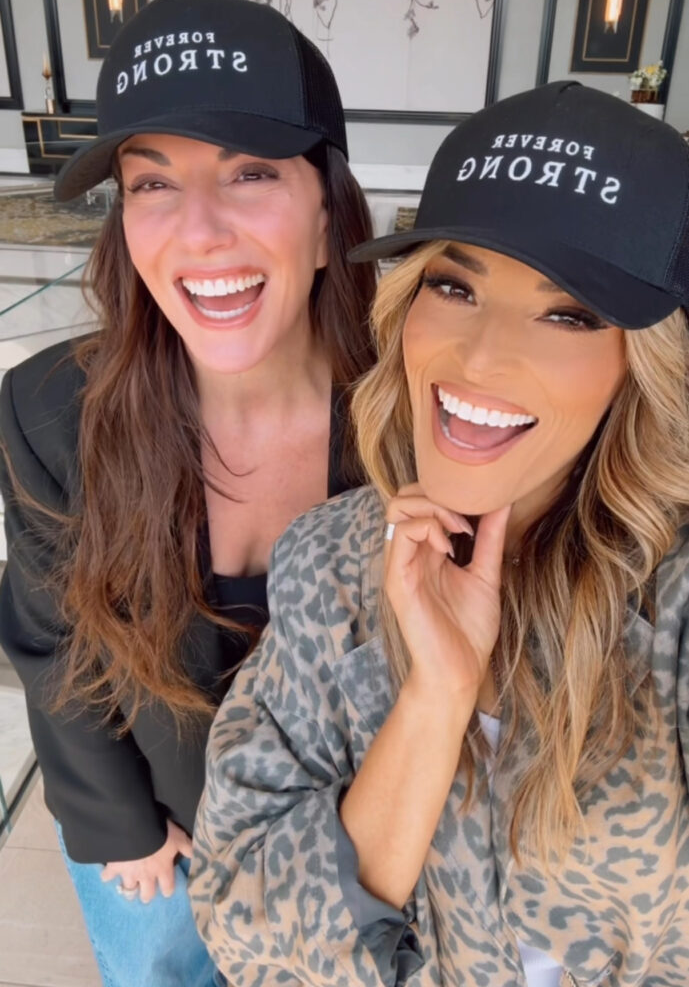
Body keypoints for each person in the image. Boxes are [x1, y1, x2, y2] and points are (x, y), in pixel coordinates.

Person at [190, 81, 689, 987]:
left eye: (568, 312)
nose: (481, 357)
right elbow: (244, 927)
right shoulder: (328, 561)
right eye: (454, 286)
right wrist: (435, 697)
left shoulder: (673, 603)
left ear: (641, 363)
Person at [0, 0, 376, 987]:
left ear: (327, 211)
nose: (198, 231)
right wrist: (115, 824)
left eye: (250, 172)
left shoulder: (412, 419)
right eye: (152, 182)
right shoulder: (49, 411)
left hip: (349, 851)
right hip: (158, 842)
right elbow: (50, 642)